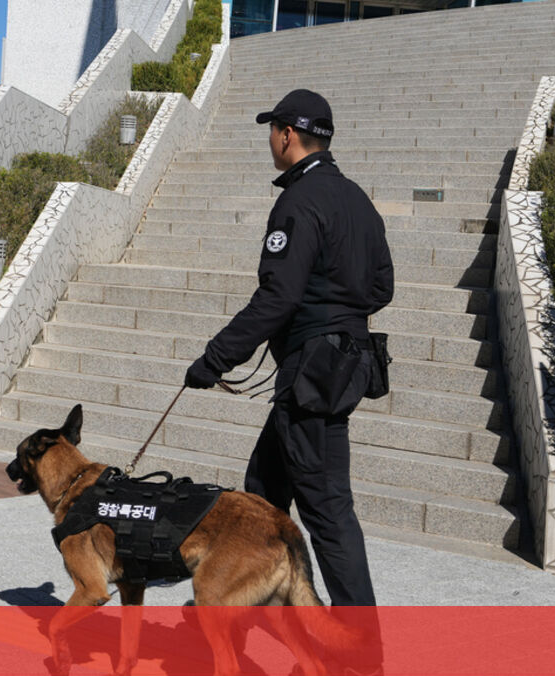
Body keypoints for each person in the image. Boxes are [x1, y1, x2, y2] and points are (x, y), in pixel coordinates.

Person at [184, 89, 393, 621]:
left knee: (328, 512)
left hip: (314, 374)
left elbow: (277, 298)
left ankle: (359, 644)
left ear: (287, 135)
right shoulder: (358, 200)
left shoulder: (299, 202)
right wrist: (337, 309)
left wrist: (214, 359)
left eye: (272, 132)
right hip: (337, 366)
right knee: (262, 493)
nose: (271, 141)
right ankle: (254, 605)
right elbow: (381, 287)